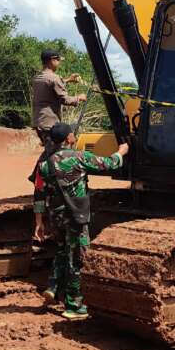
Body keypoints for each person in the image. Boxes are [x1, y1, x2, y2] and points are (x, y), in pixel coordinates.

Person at [34, 122, 128, 320]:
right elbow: (108, 164)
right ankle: (73, 306)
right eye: (72, 134)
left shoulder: (44, 163)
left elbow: (39, 194)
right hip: (76, 216)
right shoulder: (78, 157)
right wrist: (121, 152)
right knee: (76, 258)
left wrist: (39, 222)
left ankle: (53, 287)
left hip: (55, 215)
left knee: (61, 251)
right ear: (69, 138)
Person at [30, 50, 86, 239]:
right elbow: (65, 99)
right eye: (58, 60)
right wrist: (79, 98)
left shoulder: (39, 77)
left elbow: (52, 83)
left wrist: (67, 80)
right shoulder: (54, 79)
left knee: (49, 152)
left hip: (39, 121)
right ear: (52, 60)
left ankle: (38, 178)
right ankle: (41, 183)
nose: (59, 62)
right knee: (54, 156)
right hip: (50, 122)